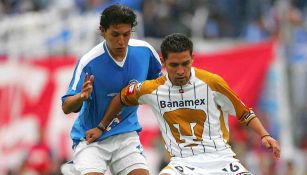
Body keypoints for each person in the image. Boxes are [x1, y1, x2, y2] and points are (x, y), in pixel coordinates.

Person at [86, 33, 281, 175]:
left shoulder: (212, 82)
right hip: (183, 164)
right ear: (163, 62)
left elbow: (244, 113)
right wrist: (101, 127)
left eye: (185, 64)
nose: (180, 71)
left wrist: (265, 135)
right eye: (174, 65)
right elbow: (120, 97)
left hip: (221, 159)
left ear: (192, 59)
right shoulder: (151, 89)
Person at [61, 4, 162, 175]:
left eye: (126, 34)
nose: (121, 41)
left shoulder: (145, 52)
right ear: (103, 31)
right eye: (115, 35)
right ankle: (78, 166)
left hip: (126, 134)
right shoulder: (89, 62)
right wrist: (81, 97)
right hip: (91, 138)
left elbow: (157, 83)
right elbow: (66, 107)